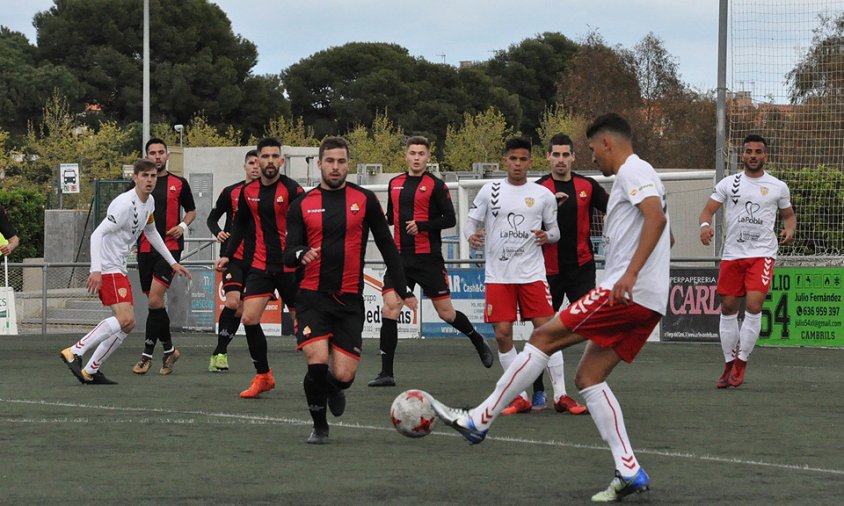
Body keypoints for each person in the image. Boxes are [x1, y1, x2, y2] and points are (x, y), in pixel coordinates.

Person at [431, 113, 670, 502]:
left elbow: (656, 221)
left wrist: (630, 274)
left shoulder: (631, 170)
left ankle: (479, 419)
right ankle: (628, 469)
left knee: (542, 336)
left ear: (607, 143)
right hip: (650, 298)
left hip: (626, 292)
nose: (594, 159)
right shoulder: (649, 176)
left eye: (593, 150)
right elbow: (667, 232)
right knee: (590, 377)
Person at [284, 136, 418, 444]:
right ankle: (320, 426)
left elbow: (387, 245)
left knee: (343, 376)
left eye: (341, 161)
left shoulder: (365, 200)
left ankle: (334, 388)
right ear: (319, 164)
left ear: (348, 165)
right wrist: (299, 253)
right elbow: (287, 251)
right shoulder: (302, 204)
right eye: (329, 161)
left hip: (348, 300)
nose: (335, 167)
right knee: (316, 362)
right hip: (311, 297)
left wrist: (402, 287)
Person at [369, 136, 493, 387]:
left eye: (421, 153)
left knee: (446, 313)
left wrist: (423, 225)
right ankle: (386, 373)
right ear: (406, 155)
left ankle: (477, 339)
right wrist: (380, 219)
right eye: (412, 153)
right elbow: (392, 218)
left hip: (429, 260)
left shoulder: (436, 186)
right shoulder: (395, 184)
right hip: (400, 259)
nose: (416, 158)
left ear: (428, 157)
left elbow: (450, 219)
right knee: (390, 308)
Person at [60, 159, 191, 384]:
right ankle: (75, 351)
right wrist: (96, 270)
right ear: (135, 178)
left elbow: (151, 232)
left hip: (118, 268)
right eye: (145, 176)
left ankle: (91, 370)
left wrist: (171, 262)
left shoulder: (148, 202)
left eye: (153, 176)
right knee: (125, 319)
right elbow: (97, 235)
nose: (149, 180)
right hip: (109, 268)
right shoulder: (123, 204)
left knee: (128, 324)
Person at [464, 136, 560, 415]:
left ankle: (562, 395)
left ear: (531, 161)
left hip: (531, 274)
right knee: (503, 334)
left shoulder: (543, 194)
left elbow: (555, 232)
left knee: (548, 332)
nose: (518, 164)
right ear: (505, 160)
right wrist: (472, 236)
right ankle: (519, 397)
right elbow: (471, 223)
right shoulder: (489, 190)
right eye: (513, 159)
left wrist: (546, 235)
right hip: (499, 276)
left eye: (523, 159)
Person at [699, 134, 795, 388]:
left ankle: (741, 362)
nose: (753, 155)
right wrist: (705, 226)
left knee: (754, 304)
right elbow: (708, 210)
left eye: (758, 152)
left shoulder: (778, 186)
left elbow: (788, 215)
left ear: (766, 155)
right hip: (733, 254)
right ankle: (728, 363)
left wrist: (790, 230)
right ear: (743, 155)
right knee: (728, 308)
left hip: (762, 254)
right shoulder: (728, 183)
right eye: (749, 151)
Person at [215, 138, 304, 398]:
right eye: (265, 156)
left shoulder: (292, 190)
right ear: (258, 160)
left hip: (290, 268)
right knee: (248, 318)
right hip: (261, 266)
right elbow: (240, 224)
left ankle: (326, 377)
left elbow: (308, 223)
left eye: (275, 156)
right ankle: (263, 376)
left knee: (306, 327)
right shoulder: (248, 192)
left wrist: (305, 253)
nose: (269, 161)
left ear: (281, 161)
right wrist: (227, 256)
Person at [528, 133, 609, 414]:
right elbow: (525, 227)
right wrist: (549, 207)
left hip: (581, 268)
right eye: (556, 155)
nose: (561, 160)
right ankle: (539, 390)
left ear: (574, 157)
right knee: (542, 332)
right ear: (548, 157)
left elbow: (615, 209)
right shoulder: (538, 189)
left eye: (566, 155)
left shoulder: (587, 186)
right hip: (546, 270)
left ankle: (589, 382)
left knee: (592, 324)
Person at [131, 138, 196, 376]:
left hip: (169, 248)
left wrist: (182, 226)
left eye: (160, 153)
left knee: (154, 300)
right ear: (146, 156)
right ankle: (170, 350)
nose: (157, 156)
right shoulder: (139, 185)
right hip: (145, 250)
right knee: (155, 305)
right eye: (152, 153)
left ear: (167, 156)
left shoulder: (179, 183)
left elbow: (192, 210)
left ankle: (146, 356)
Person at [205, 149, 260, 372]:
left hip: (258, 259)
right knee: (232, 302)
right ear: (245, 166)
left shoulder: (270, 194)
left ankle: (219, 352)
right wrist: (217, 231)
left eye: (259, 162)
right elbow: (211, 218)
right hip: (232, 256)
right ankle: (219, 354)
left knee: (241, 312)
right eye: (251, 163)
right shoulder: (231, 192)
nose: (256, 166)